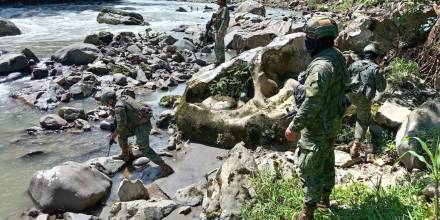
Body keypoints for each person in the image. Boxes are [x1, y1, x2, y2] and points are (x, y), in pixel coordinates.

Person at [284, 17, 349, 220]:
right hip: (333, 120)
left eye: (310, 37)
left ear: (321, 40)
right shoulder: (337, 56)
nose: (306, 40)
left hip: (317, 125)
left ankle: (307, 213)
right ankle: (324, 200)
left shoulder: (320, 67)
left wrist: (294, 127)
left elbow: (313, 102)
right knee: (327, 158)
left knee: (309, 165)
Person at [101, 91, 174, 177]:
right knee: (122, 135)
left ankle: (165, 167)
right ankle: (126, 155)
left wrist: (113, 135)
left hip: (142, 127)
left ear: (110, 100)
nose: (108, 106)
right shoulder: (124, 97)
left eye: (106, 104)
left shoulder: (118, 107)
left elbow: (121, 126)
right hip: (138, 124)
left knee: (143, 148)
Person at [347, 43, 387, 158]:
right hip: (364, 98)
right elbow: (382, 88)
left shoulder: (354, 64)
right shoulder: (376, 69)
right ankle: (356, 145)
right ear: (376, 56)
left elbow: (346, 78)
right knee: (362, 120)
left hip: (350, 95)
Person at [211, 0, 230, 66]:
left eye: (218, 0)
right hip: (217, 29)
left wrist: (220, 31)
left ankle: (219, 61)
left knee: (218, 46)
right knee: (220, 45)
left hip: (220, 30)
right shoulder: (220, 8)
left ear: (222, 1)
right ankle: (221, 60)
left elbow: (224, 21)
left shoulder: (224, 9)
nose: (216, 1)